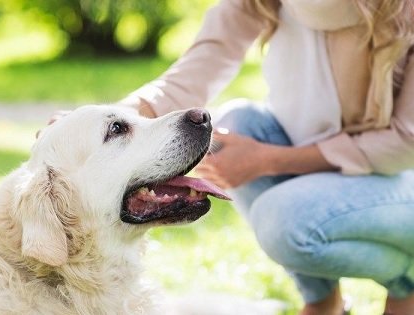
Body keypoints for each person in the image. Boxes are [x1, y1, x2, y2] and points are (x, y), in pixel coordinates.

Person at [118, 0, 414, 314]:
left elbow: (406, 141)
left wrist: (270, 160)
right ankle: (324, 300)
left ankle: (406, 285)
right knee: (236, 126)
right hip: (326, 165)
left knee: (284, 221)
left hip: (399, 178)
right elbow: (199, 67)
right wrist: (118, 115)